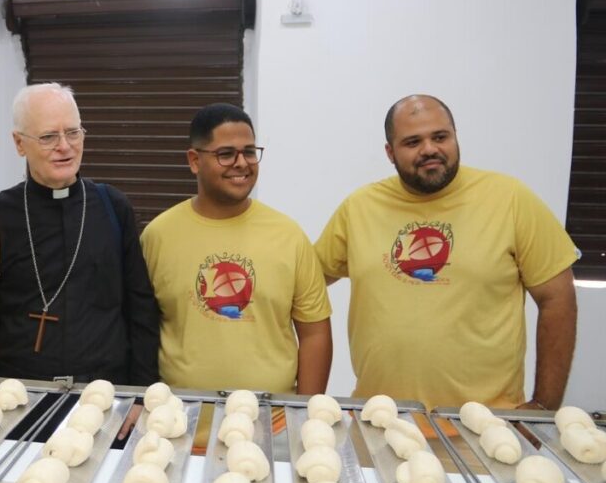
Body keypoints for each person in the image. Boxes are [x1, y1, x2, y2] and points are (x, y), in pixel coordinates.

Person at [314, 94, 579, 410]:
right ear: (390, 152)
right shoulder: (358, 208)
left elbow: (557, 298)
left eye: (440, 137)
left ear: (455, 136)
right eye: (412, 142)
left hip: (487, 423)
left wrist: (544, 407)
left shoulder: (511, 199)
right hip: (380, 417)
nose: (429, 149)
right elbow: (303, 285)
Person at [141, 103, 333, 394]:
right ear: (194, 160)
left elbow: (315, 333)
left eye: (250, 151)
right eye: (226, 154)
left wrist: (305, 413)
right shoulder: (158, 235)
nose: (242, 163)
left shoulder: (288, 235)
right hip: (179, 422)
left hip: (272, 420)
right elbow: (140, 328)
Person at [0, 83, 160, 386]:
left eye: (73, 133)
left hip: (104, 391)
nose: (64, 146)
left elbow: (140, 309)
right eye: (49, 136)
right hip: (21, 393)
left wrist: (140, 394)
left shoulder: (113, 207)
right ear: (19, 143)